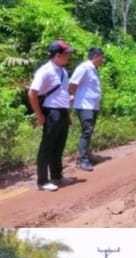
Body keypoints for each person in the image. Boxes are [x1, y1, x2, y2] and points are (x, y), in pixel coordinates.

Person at [28, 40, 73, 191]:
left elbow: (63, 93)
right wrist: (39, 114)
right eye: (66, 54)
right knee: (47, 146)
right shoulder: (45, 71)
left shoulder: (63, 71)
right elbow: (32, 93)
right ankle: (42, 180)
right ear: (57, 55)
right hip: (51, 112)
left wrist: (67, 113)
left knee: (59, 146)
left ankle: (57, 176)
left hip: (62, 112)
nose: (69, 56)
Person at [69, 47, 104, 172]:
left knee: (89, 131)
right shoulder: (84, 67)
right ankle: (83, 160)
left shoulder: (94, 70)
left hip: (93, 105)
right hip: (84, 105)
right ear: (96, 56)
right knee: (87, 131)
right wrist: (73, 96)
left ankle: (86, 154)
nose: (102, 60)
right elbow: (72, 84)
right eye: (101, 57)